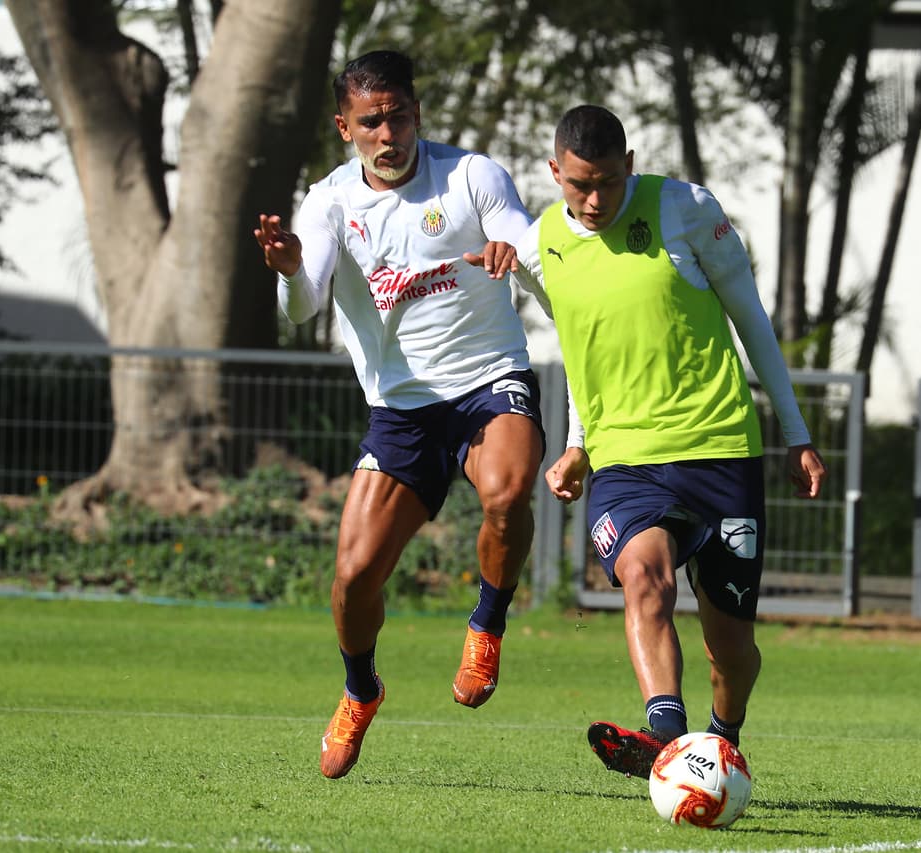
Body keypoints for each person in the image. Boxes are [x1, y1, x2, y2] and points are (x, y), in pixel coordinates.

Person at [253, 50, 544, 780]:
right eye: (372, 121)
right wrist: (290, 269)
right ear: (344, 125)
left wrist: (520, 251)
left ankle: (486, 622)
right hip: (401, 410)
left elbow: (528, 242)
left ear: (417, 110)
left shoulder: (472, 175)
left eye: (400, 115)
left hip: (488, 379)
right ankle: (360, 690)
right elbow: (304, 306)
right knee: (352, 579)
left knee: (507, 493)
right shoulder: (329, 202)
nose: (389, 133)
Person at [515, 105, 827, 780]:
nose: (593, 199)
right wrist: (577, 444)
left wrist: (796, 431)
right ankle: (667, 735)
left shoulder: (684, 208)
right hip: (627, 461)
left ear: (631, 165)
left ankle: (724, 732)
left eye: (606, 181)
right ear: (554, 173)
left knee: (731, 649)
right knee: (645, 582)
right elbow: (582, 350)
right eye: (577, 185)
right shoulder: (541, 247)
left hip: (720, 450)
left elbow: (752, 318)